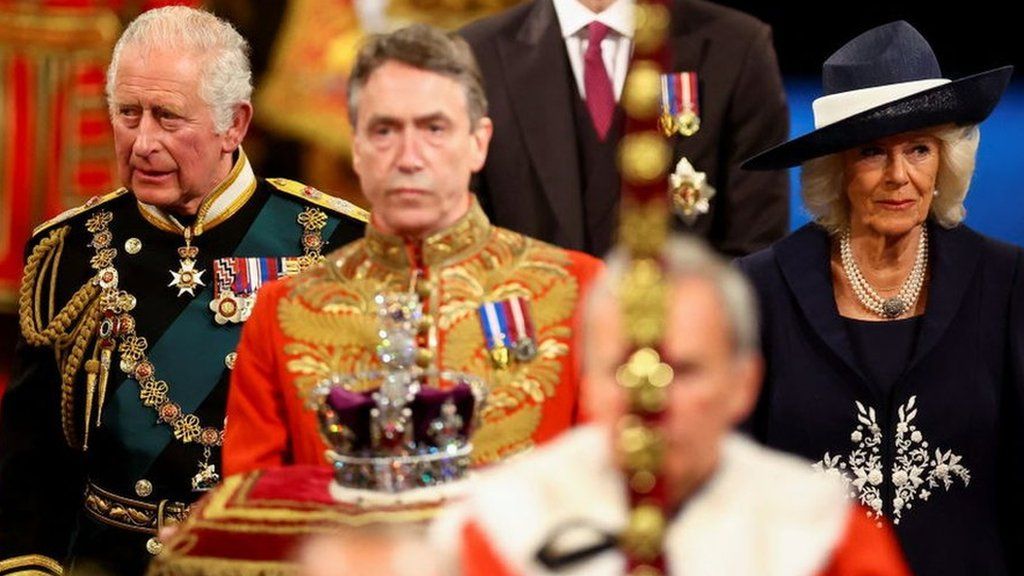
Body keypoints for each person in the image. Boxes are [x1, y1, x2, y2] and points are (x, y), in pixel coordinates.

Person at [0, 7, 368, 574]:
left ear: (235, 124)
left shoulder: (339, 246)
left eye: (168, 117)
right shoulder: (68, 250)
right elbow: (34, 460)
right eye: (128, 113)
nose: (142, 142)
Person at [222, 24, 602, 476]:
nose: (409, 157)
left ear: (478, 143)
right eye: (385, 130)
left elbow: (610, 483)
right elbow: (254, 506)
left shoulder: (580, 291)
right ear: (357, 148)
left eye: (434, 128)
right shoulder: (283, 312)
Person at [433, 235, 910, 575]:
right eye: (623, 366)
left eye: (682, 370)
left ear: (743, 384)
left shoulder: (823, 537)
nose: (649, 399)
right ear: (587, 382)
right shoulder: (501, 527)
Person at [737, 21, 1022, 576]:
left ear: (944, 162)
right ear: (836, 167)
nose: (899, 176)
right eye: (872, 152)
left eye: (919, 149)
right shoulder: (759, 292)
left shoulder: (1005, 282)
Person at [459, 0, 790, 258]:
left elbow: (755, 246)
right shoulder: (475, 55)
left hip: (679, 336)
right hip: (535, 336)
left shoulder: (737, 47)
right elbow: (467, 243)